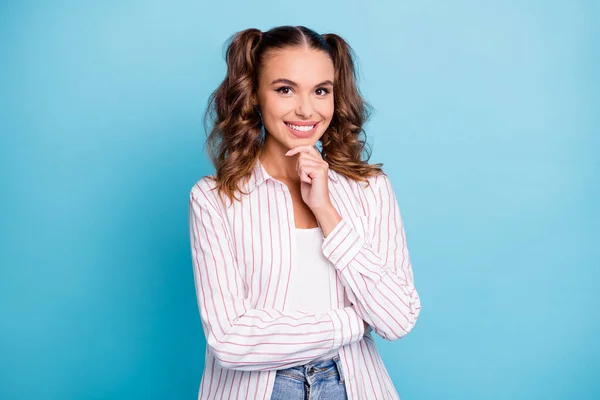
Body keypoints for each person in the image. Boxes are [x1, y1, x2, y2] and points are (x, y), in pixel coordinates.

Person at [188, 25, 421, 400]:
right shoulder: (214, 199)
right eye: (284, 89)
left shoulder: (370, 189)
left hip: (351, 386)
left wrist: (326, 210)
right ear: (254, 96)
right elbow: (231, 340)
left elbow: (397, 319)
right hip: (256, 390)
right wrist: (353, 321)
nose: (306, 109)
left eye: (321, 91)